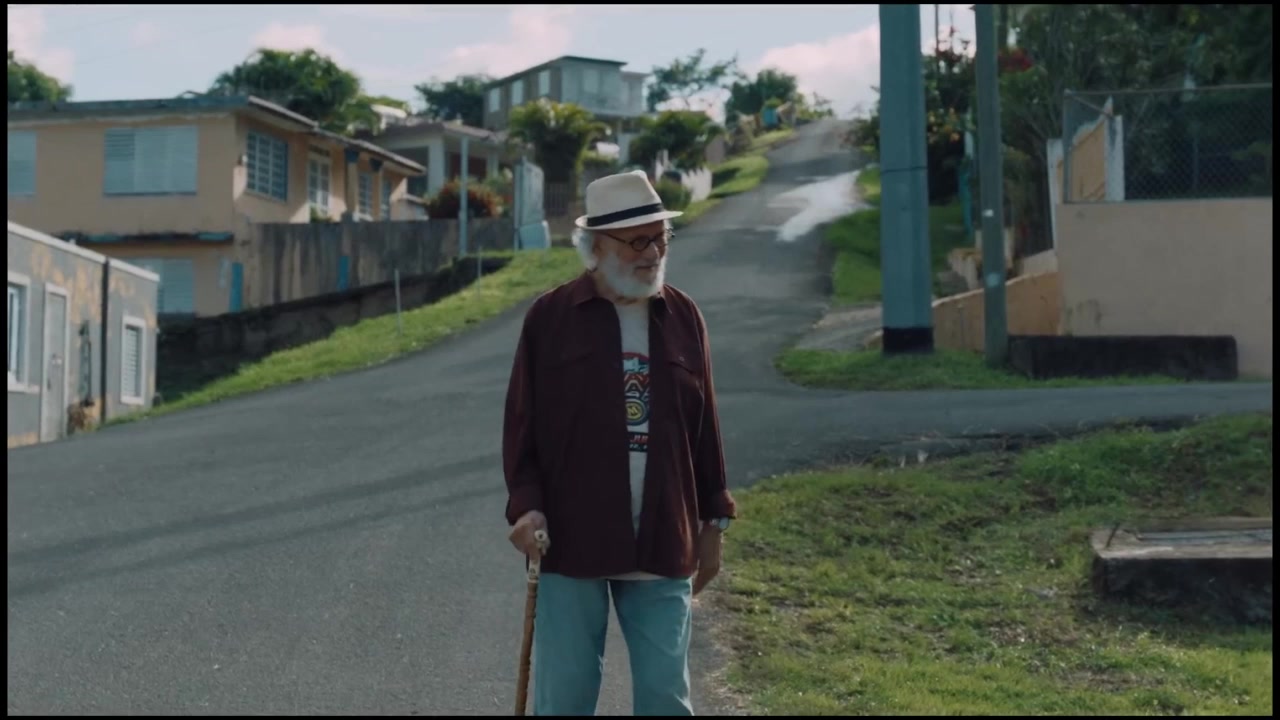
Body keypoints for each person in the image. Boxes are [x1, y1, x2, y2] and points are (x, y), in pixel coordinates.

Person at [502, 170, 737, 716]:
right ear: (596, 247)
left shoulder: (684, 316)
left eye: (661, 238)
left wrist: (714, 521)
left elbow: (705, 427)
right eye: (637, 241)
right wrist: (526, 507)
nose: (653, 252)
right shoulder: (550, 319)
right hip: (569, 539)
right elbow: (522, 427)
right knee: (565, 698)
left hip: (663, 534)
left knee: (665, 698)